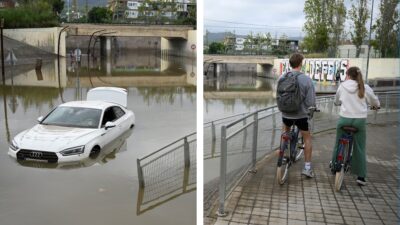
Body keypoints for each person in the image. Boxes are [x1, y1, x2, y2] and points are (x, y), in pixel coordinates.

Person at [331, 66, 380, 185]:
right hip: (359, 121)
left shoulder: (342, 86)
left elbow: (336, 101)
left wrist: (338, 103)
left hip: (344, 119)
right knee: (359, 147)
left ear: (347, 75)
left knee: (338, 143)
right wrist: (376, 106)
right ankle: (361, 177)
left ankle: (334, 166)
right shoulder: (365, 87)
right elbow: (374, 102)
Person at [280, 53, 316, 178]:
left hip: (286, 114)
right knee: (307, 138)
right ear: (301, 64)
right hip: (301, 116)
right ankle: (307, 168)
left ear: (290, 64)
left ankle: (284, 154)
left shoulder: (282, 77)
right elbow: (311, 102)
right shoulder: (306, 79)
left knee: (285, 131)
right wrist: (310, 110)